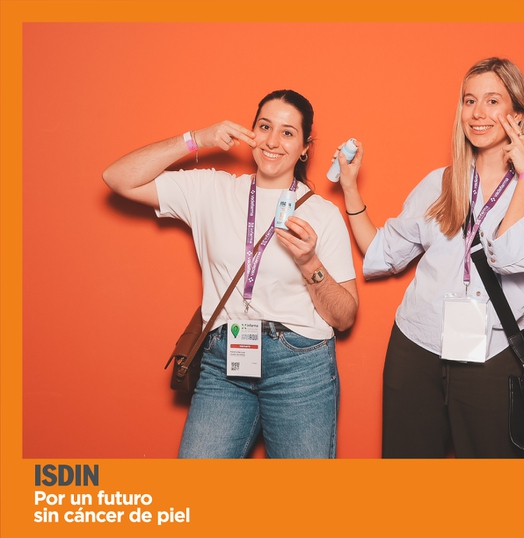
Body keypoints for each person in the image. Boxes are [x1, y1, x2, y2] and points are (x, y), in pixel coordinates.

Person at [103, 89, 358, 458]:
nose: (273, 141)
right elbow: (118, 177)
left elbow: (345, 317)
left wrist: (309, 263)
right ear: (251, 132)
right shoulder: (211, 189)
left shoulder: (323, 214)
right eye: (265, 127)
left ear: (305, 148)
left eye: (288, 132)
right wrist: (197, 139)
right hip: (225, 360)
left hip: (299, 365)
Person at [335, 58, 524, 458]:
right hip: (416, 346)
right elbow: (382, 252)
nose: (477, 113)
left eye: (492, 101)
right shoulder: (438, 183)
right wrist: (350, 187)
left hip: (492, 353)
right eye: (469, 100)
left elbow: (508, 255)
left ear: (517, 114)